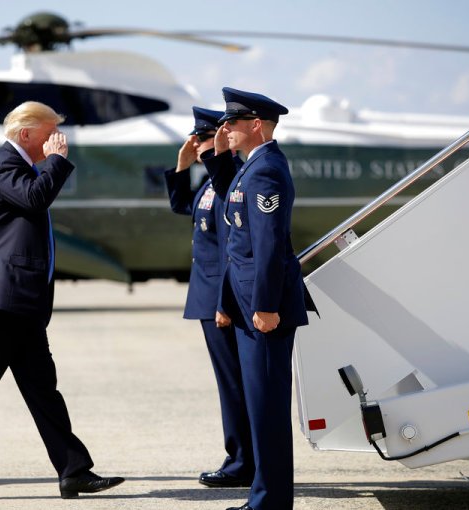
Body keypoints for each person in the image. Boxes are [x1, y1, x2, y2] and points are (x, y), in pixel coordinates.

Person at [0, 101, 124, 501]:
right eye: (50, 133)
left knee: (43, 390)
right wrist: (55, 163)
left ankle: (74, 471)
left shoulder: (19, 165)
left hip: (20, 302)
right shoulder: (4, 164)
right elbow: (35, 199)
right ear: (25, 134)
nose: (57, 141)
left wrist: (49, 163)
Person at [208, 88, 311, 510]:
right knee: (258, 404)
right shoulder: (252, 167)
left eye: (232, 123)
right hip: (248, 305)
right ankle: (262, 498)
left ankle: (269, 502)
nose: (225, 129)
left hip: (263, 310)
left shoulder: (266, 170)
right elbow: (235, 231)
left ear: (255, 125)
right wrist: (227, 302)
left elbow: (267, 246)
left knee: (267, 409)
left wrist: (265, 306)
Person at [163, 107, 254, 488]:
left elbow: (229, 250)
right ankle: (241, 458)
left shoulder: (229, 180)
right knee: (229, 383)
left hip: (221, 299)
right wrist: (182, 167)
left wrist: (224, 304)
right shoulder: (212, 183)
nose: (195, 146)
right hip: (208, 296)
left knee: (234, 385)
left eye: (200, 141)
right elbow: (185, 207)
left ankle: (241, 462)